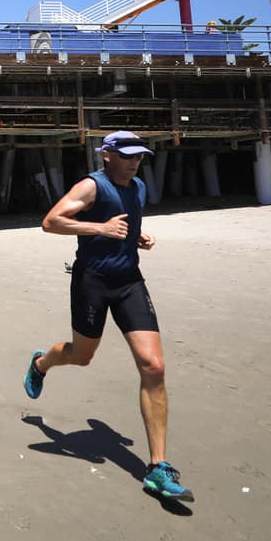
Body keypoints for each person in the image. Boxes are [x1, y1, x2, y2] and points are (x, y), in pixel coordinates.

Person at [23, 130, 194, 502]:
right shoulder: (91, 186)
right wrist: (98, 228)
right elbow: (51, 222)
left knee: (154, 366)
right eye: (127, 155)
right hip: (92, 282)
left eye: (139, 156)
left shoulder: (139, 187)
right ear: (106, 155)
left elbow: (123, 226)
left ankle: (158, 467)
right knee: (81, 356)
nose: (134, 162)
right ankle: (41, 363)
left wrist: (137, 237)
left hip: (130, 281)